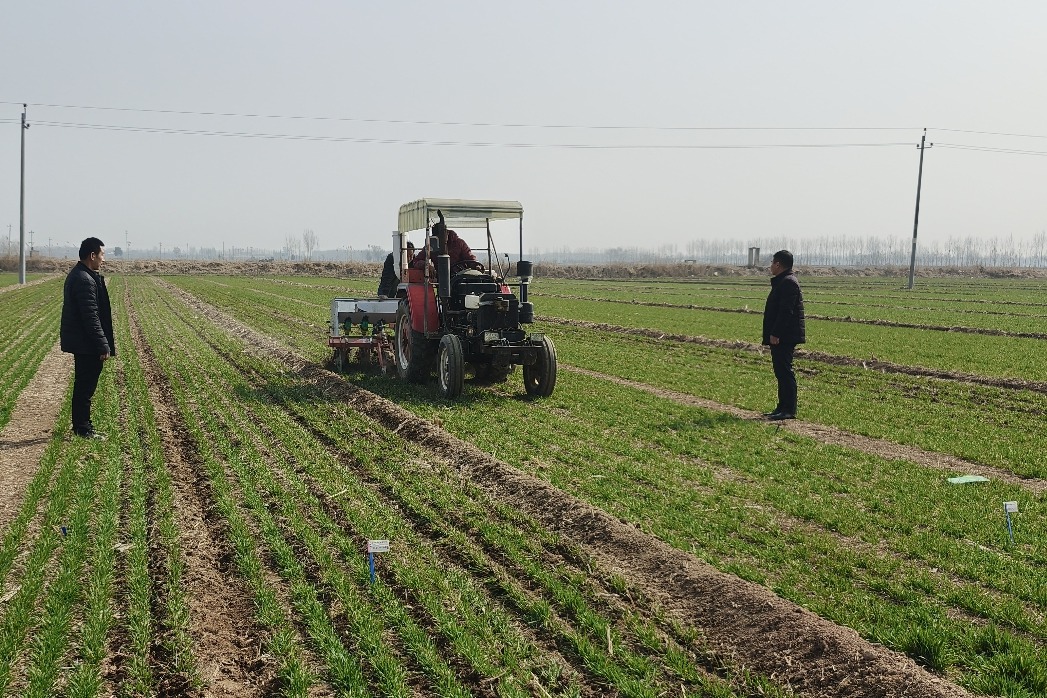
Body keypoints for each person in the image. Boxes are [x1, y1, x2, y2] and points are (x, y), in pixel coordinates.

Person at [61, 237, 115, 440]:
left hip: (83, 342)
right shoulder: (84, 280)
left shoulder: (81, 275)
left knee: (83, 386)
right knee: (85, 387)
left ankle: (82, 426)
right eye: (102, 255)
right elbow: (91, 317)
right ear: (92, 255)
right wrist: (102, 344)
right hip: (86, 344)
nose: (103, 259)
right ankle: (83, 429)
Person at [762, 249, 805, 420]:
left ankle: (789, 409)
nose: (771, 266)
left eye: (772, 263)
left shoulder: (788, 283)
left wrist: (776, 333)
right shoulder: (783, 281)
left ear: (778, 264)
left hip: (785, 336)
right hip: (782, 335)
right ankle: (781, 407)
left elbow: (786, 312)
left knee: (785, 371)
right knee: (780, 371)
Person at [410, 209, 478, 272]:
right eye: (439, 236)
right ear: (434, 236)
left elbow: (470, 259)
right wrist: (426, 265)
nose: (442, 238)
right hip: (440, 276)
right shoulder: (432, 246)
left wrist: (476, 266)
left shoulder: (459, 243)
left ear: (447, 232)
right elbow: (417, 261)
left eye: (443, 234)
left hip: (459, 276)